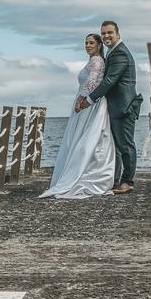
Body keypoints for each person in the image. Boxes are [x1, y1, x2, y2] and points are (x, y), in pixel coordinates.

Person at [39, 34, 116, 198]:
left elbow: (92, 82)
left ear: (99, 45)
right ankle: (78, 171)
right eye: (86, 43)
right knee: (80, 137)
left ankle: (83, 174)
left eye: (91, 43)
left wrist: (81, 100)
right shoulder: (92, 60)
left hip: (89, 104)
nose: (87, 45)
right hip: (86, 101)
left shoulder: (97, 61)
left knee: (86, 138)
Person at [75, 21, 143, 194]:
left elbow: (109, 81)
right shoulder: (113, 52)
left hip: (123, 107)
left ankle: (127, 182)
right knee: (118, 147)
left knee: (125, 145)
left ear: (118, 34)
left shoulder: (120, 53)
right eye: (103, 33)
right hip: (116, 106)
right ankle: (115, 180)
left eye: (110, 33)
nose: (106, 36)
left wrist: (89, 100)